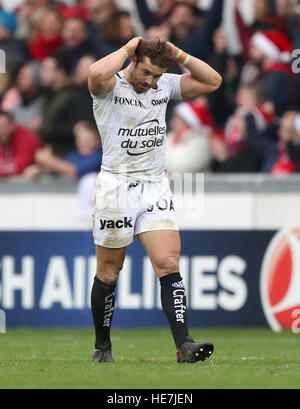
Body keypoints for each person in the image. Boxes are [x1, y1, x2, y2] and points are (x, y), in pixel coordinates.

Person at [88, 36, 222, 363]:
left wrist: (179, 53)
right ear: (133, 60)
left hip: (154, 185)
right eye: (147, 73)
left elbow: (213, 81)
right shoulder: (110, 86)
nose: (151, 81)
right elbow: (94, 73)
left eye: (157, 76)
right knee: (109, 272)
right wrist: (124, 48)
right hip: (115, 186)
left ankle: (184, 345)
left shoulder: (164, 86)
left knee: (168, 263)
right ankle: (102, 346)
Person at [0, 110, 43, 177]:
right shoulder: (3, 138)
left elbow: (20, 168)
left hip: (38, 183)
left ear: (12, 125)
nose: (1, 131)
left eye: (4, 127)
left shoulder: (27, 138)